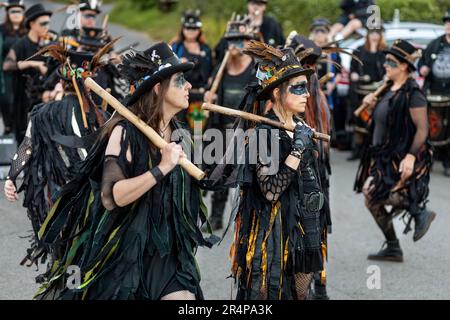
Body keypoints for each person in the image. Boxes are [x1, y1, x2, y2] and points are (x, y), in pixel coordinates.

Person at [34, 42, 218, 300]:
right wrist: (162, 167)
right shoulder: (125, 133)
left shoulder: (180, 134)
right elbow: (112, 197)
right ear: (158, 88)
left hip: (168, 255)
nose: (189, 85)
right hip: (127, 253)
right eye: (180, 80)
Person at [215, 40, 324, 300]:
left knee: (300, 295)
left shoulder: (300, 127)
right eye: (297, 88)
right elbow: (271, 191)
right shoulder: (262, 134)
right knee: (267, 294)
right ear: (276, 94)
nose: (306, 95)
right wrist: (297, 150)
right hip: (271, 233)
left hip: (302, 229)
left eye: (305, 88)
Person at [3, 42, 112, 282]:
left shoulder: (43, 112)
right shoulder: (104, 117)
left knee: (66, 261)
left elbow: (26, 148)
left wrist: (11, 176)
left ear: (62, 82)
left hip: (58, 203)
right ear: (91, 85)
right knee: (90, 263)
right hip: (96, 203)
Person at [355, 40, 436, 262]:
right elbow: (381, 122)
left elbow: (423, 129)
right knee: (371, 198)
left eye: (391, 62)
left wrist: (410, 156)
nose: (385, 65)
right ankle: (394, 246)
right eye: (386, 61)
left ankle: (417, 210)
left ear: (404, 66)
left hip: (400, 157)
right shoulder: (388, 89)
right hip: (383, 156)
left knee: (373, 195)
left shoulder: (413, 93)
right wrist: (370, 106)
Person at [204, 15, 256, 231]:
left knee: (249, 177)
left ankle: (250, 219)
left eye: (239, 40)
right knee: (219, 172)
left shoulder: (255, 68)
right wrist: (209, 97)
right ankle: (216, 217)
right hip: (222, 130)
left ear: (247, 43)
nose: (234, 45)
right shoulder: (222, 68)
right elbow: (212, 92)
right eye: (231, 41)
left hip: (247, 131)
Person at [3, 4, 52, 145]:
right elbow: (7, 65)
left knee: (44, 139)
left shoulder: (47, 44)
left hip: (43, 99)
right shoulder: (21, 44)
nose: (46, 27)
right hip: (23, 100)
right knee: (24, 139)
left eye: (48, 23)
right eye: (43, 24)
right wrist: (32, 63)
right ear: (32, 24)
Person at [418, 9, 450, 177]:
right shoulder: (435, 44)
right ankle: (428, 159)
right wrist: (422, 68)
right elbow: (421, 62)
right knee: (433, 129)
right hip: (434, 93)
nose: (448, 25)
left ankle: (447, 162)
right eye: (447, 22)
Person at [348, 24, 386, 161]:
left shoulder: (384, 52)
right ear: (368, 35)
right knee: (360, 122)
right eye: (372, 32)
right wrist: (353, 75)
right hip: (361, 92)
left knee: (375, 122)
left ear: (381, 35)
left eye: (377, 32)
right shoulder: (359, 51)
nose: (374, 35)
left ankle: (373, 149)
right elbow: (352, 68)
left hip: (377, 93)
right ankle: (357, 150)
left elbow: (388, 71)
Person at [171, 10, 213, 129]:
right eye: (188, 28)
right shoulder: (176, 47)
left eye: (194, 28)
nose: (191, 31)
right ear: (183, 29)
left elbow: (212, 71)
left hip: (202, 95)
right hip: (181, 95)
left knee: (200, 131)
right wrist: (179, 62)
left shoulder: (206, 49)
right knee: (180, 129)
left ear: (199, 30)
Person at [214, 0, 284, 64]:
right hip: (239, 66)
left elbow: (282, 47)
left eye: (259, 4)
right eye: (253, 3)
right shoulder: (237, 23)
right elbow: (221, 48)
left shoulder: (272, 24)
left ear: (264, 6)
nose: (256, 7)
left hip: (265, 69)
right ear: (248, 5)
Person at [0, 0, 26, 135]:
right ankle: (8, 126)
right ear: (7, 13)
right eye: (13, 11)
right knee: (6, 100)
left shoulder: (28, 30)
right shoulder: (2, 30)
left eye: (19, 11)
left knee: (22, 101)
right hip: (7, 72)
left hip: (24, 72)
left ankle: (19, 129)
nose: (16, 14)